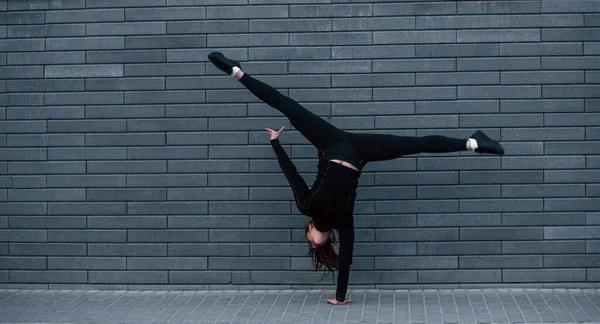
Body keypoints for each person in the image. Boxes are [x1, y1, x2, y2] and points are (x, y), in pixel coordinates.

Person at [208, 52, 505, 305]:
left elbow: (292, 174)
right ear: (321, 242)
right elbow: (346, 259)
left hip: (331, 143)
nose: (310, 241)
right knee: (411, 146)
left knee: (288, 107)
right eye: (312, 243)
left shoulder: (306, 206)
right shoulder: (344, 223)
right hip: (359, 154)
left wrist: (275, 143)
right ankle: (473, 143)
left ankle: (234, 70)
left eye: (308, 238)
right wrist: (340, 297)